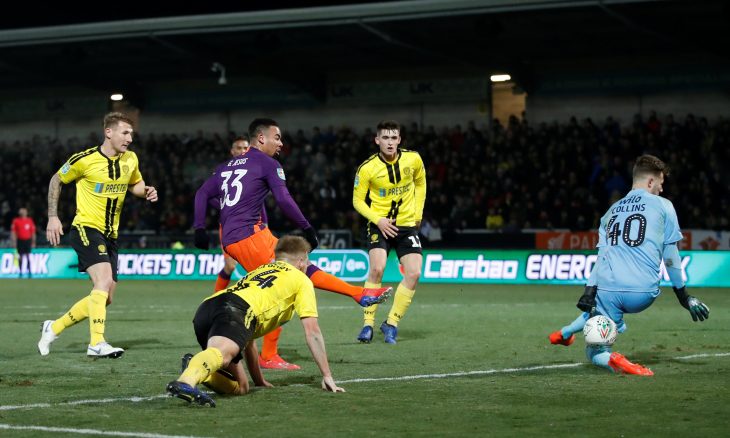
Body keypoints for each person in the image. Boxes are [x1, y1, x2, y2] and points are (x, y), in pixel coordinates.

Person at [193, 118, 391, 370]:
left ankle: (357, 294)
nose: (281, 143)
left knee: (297, 270)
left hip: (244, 235)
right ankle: (267, 353)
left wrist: (200, 227)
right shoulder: (267, 163)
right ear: (261, 138)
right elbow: (284, 200)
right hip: (248, 237)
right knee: (285, 287)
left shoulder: (225, 167)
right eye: (277, 137)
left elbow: (201, 193)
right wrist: (307, 227)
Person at [549, 154, 710, 375]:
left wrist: (588, 291)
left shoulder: (609, 213)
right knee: (604, 315)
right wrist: (684, 296)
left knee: (595, 348)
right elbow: (670, 256)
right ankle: (567, 334)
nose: (661, 190)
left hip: (608, 289)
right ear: (651, 182)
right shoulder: (664, 206)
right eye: (661, 184)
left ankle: (585, 343)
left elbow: (602, 258)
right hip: (642, 293)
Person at [166, 235, 345, 407]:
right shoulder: (302, 280)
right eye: (307, 261)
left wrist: (259, 381)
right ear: (300, 261)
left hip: (209, 307)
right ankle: (186, 381)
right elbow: (312, 332)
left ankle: (195, 368)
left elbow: (248, 337)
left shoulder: (261, 270)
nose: (307, 266)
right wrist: (327, 375)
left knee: (242, 387)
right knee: (222, 353)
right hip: (236, 311)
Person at [38, 112, 158, 358]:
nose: (129, 139)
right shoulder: (85, 159)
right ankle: (97, 343)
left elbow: (134, 183)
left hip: (111, 235)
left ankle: (54, 327)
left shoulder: (131, 159)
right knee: (102, 282)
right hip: (85, 228)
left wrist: (144, 191)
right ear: (109, 132)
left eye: (131, 134)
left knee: (106, 297)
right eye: (125, 133)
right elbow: (56, 180)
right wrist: (53, 216)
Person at [353, 120, 427, 344]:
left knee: (414, 273)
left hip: (406, 225)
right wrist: (378, 220)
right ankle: (368, 325)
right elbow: (357, 201)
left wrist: (418, 214)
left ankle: (391, 323)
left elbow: (421, 183)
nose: (390, 142)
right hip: (379, 224)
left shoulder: (413, 159)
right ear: (377, 140)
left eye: (394, 138)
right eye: (385, 138)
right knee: (377, 268)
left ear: (399, 140)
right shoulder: (367, 168)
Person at [213, 136, 252, 292]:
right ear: (232, 151)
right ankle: (215, 299)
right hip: (228, 225)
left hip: (252, 225)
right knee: (230, 266)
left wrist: (266, 223)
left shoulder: (255, 170)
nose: (242, 151)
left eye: (245, 148)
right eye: (239, 148)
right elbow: (208, 196)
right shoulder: (222, 171)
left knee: (258, 266)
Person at [10, 207, 36, 278]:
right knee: (20, 257)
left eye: (24, 211)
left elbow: (33, 232)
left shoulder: (30, 221)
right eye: (21, 211)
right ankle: (20, 272)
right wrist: (14, 242)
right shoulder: (16, 221)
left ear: (26, 213)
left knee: (28, 256)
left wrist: (33, 242)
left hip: (27, 241)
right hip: (20, 241)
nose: (23, 213)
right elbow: (13, 232)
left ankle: (29, 272)